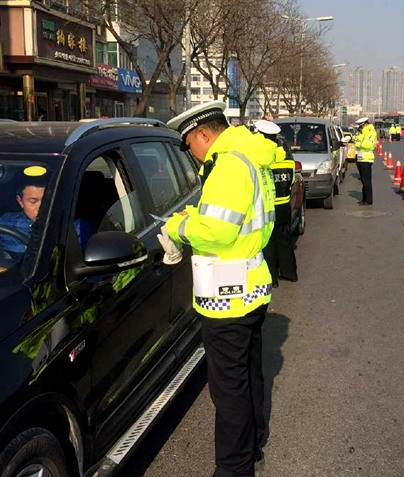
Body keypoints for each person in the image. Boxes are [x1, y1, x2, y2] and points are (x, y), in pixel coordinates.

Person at [162, 100, 276, 477]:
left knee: (228, 393)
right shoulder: (248, 156)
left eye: (189, 144)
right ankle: (253, 444)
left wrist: (178, 228)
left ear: (203, 134)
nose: (190, 153)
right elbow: (236, 219)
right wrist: (194, 216)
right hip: (251, 285)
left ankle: (233, 469)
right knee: (249, 377)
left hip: (227, 297)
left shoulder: (227, 166)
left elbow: (218, 230)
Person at [0, 172, 92, 256]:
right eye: (33, 202)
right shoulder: (5, 223)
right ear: (20, 201)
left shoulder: (74, 228)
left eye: (47, 200)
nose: (41, 207)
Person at [255, 119, 298, 288]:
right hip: (285, 206)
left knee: (268, 243)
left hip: (268, 207)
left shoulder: (264, 160)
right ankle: (290, 273)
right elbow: (292, 180)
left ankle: (272, 278)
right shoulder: (288, 160)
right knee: (285, 241)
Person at [354, 116, 376, 205]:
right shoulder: (362, 132)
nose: (360, 127)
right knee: (363, 180)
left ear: (365, 124)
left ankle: (368, 200)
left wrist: (358, 143)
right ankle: (364, 199)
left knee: (366, 181)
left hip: (366, 159)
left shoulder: (370, 131)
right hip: (360, 158)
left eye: (361, 125)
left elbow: (366, 145)